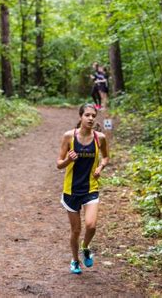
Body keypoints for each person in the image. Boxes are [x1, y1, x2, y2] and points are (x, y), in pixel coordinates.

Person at [56, 104, 109, 274]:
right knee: (76, 230)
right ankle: (75, 260)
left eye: (93, 115)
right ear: (80, 117)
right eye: (87, 115)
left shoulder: (99, 138)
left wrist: (100, 168)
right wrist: (68, 161)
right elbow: (59, 164)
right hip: (71, 190)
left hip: (90, 188)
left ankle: (85, 247)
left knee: (91, 226)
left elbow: (106, 157)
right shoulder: (69, 136)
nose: (91, 118)